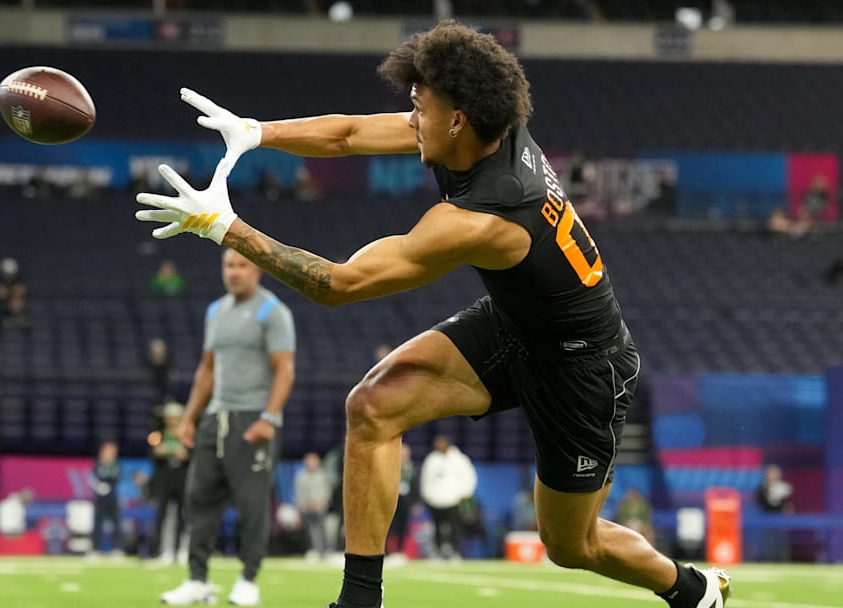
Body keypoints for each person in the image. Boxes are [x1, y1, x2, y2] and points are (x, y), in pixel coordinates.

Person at [135, 21, 730, 608]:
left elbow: (342, 284)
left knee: (573, 545)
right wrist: (255, 132)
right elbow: (346, 136)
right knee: (372, 406)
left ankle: (690, 589)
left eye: (419, 107)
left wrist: (225, 228)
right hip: (514, 323)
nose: (409, 118)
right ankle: (360, 598)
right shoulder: (476, 129)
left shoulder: (486, 216)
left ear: (456, 119)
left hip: (582, 366)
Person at [159, 249, 296, 606]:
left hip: (253, 420)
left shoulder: (272, 311)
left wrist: (269, 417)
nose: (234, 272)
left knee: (252, 507)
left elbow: (285, 369)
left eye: (242, 266)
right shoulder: (215, 311)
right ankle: (197, 580)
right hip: (214, 419)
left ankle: (248, 580)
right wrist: (189, 419)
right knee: (197, 501)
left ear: (258, 271)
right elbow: (207, 369)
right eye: (229, 265)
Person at [419, 435, 476, 560]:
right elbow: (425, 480)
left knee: (456, 527)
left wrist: (464, 495)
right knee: (437, 527)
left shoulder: (460, 459)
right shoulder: (431, 460)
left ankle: (455, 552)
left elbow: (469, 477)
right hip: (435, 501)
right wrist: (428, 497)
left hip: (454, 501)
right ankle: (438, 553)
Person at [150, 401, 190, 564]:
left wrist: (184, 454)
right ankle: (158, 552)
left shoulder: (187, 433)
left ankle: (180, 551)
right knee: (161, 516)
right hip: (164, 479)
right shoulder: (158, 434)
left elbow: (191, 453)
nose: (172, 421)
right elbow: (154, 451)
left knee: (183, 517)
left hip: (182, 478)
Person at [294, 451, 333, 560]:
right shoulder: (300, 476)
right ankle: (313, 549)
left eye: (313, 460)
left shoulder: (323, 475)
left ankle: (324, 550)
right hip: (305, 508)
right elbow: (299, 493)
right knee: (308, 527)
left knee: (321, 525)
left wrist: (319, 503)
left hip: (320, 508)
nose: (311, 463)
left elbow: (326, 492)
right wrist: (306, 504)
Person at [90, 440, 123, 556]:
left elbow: (117, 476)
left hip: (112, 498)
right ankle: (95, 549)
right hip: (100, 498)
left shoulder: (116, 464)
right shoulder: (97, 463)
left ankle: (117, 549)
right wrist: (98, 485)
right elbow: (92, 477)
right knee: (97, 523)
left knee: (116, 523)